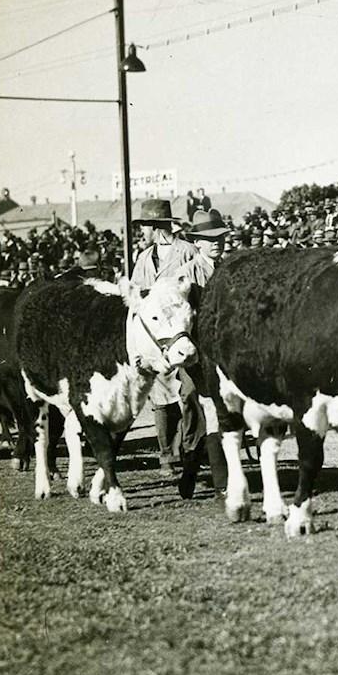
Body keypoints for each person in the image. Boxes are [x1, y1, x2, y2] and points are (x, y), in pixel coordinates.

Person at [130, 198, 198, 477]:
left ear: (155, 226)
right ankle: (167, 456)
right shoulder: (143, 258)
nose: (142, 233)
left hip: (183, 336)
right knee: (161, 397)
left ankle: (190, 449)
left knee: (189, 394)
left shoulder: (188, 251)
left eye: (144, 226)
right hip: (159, 340)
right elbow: (137, 299)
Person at [173, 210, 231, 499]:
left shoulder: (230, 268)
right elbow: (179, 317)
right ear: (196, 242)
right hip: (197, 354)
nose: (216, 243)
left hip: (226, 353)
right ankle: (190, 469)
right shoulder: (187, 273)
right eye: (209, 239)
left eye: (219, 237)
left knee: (222, 413)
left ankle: (223, 481)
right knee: (195, 409)